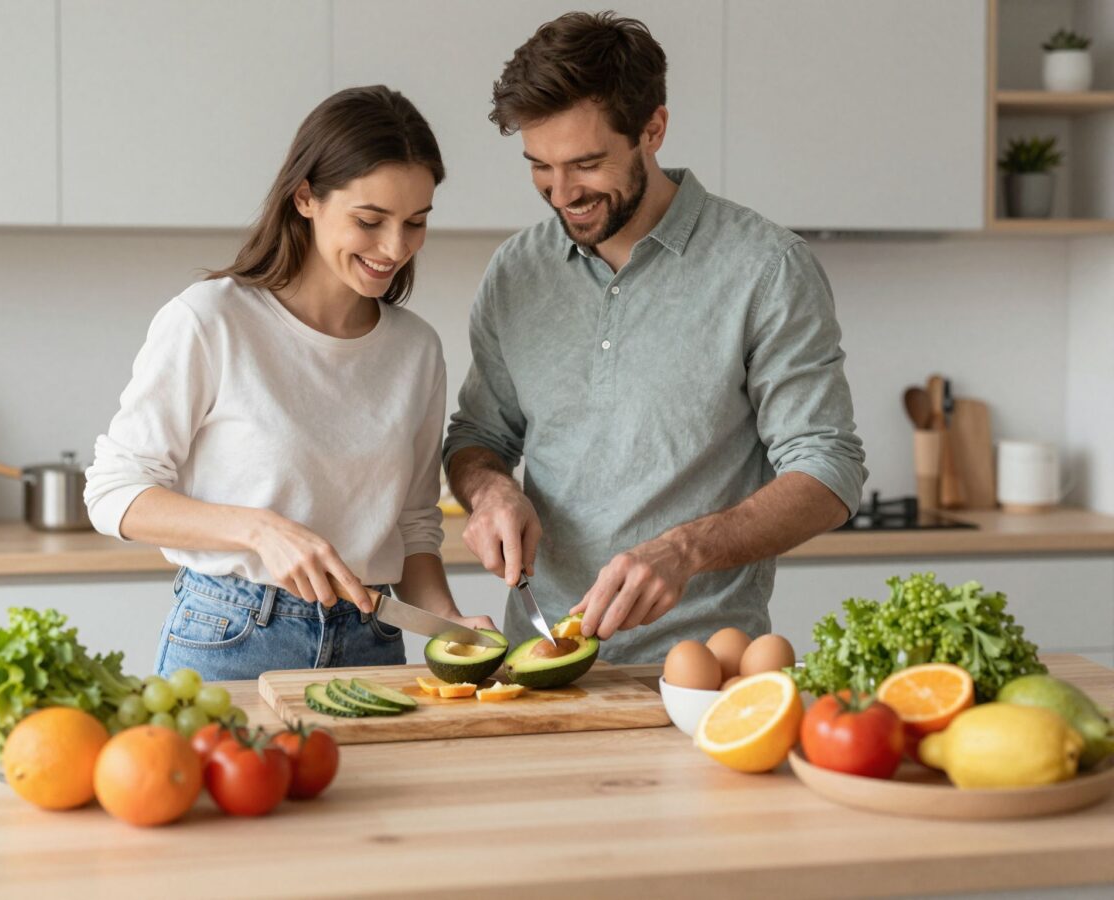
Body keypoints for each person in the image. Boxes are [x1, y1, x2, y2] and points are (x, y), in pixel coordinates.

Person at [443, 13, 867, 663]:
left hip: (703, 669)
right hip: (540, 663)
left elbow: (828, 472)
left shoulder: (764, 267)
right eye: (540, 167)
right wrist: (491, 490)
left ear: (653, 130)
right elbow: (476, 439)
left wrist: (684, 550)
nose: (561, 194)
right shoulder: (516, 272)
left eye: (586, 164)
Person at [86, 85, 493, 682]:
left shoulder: (416, 349)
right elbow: (113, 492)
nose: (395, 248)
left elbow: (411, 523)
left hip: (375, 640)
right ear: (306, 197)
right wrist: (257, 529)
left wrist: (450, 623)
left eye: (415, 223)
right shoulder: (211, 320)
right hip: (235, 636)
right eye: (370, 220)